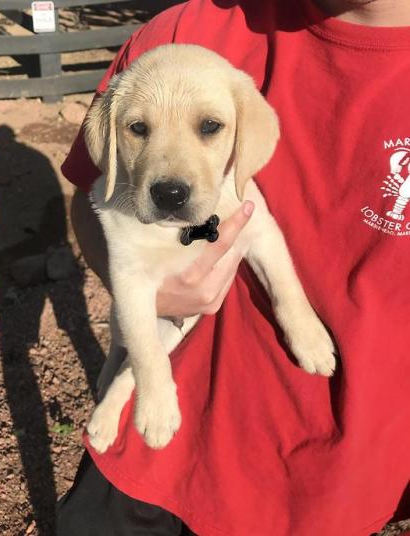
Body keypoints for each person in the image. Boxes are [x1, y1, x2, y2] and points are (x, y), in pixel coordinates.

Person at [56, 0, 410, 534]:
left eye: (208, 127)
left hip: (330, 475)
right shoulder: (185, 31)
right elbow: (94, 197)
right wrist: (149, 290)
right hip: (154, 457)